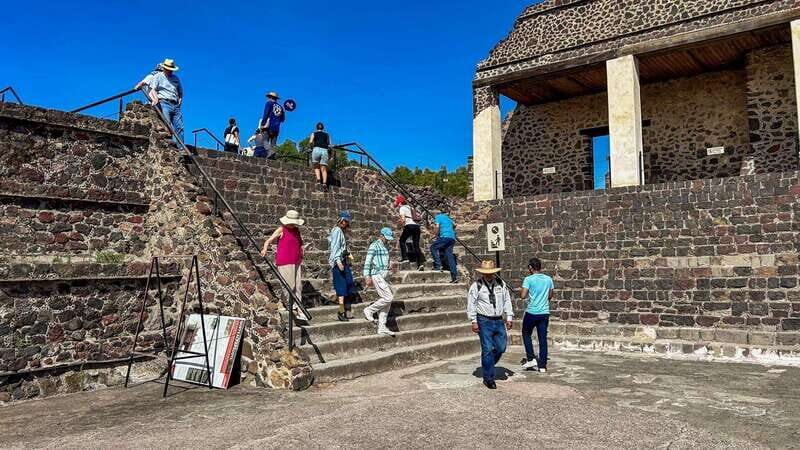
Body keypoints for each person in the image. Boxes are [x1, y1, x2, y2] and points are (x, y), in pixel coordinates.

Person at [467, 260, 513, 390]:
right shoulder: (476, 286)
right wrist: (473, 321)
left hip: (498, 320)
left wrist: (509, 316)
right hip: (484, 320)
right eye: (486, 273)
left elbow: (507, 300)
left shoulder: (501, 284)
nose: (488, 275)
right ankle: (489, 378)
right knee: (487, 349)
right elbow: (471, 304)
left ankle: (488, 364)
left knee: (501, 347)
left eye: (490, 272)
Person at [260, 210, 309, 321]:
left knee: (298, 286)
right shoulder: (281, 229)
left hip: (296, 260)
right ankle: (293, 307)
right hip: (285, 261)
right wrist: (264, 249)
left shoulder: (296, 230)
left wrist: (302, 250)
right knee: (289, 286)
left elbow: (300, 243)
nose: (292, 224)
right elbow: (268, 241)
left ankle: (299, 308)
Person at [520, 257, 554, 373]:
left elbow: (523, 295)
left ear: (530, 267)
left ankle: (531, 358)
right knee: (542, 339)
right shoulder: (548, 279)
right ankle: (542, 366)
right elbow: (550, 295)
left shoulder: (528, 279)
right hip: (544, 313)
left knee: (526, 334)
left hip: (532, 312)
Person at [362, 227, 397, 336]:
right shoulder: (374, 245)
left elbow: (384, 260)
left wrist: (389, 265)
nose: (388, 240)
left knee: (387, 301)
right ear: (381, 235)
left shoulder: (386, 246)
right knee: (388, 297)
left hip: (384, 275)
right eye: (386, 238)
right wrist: (367, 276)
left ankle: (382, 326)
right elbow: (368, 261)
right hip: (376, 274)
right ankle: (369, 310)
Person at [147, 59, 184, 142]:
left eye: (171, 69)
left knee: (180, 127)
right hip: (164, 102)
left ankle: (181, 147)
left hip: (175, 104)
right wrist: (155, 99)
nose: (170, 71)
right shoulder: (158, 76)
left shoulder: (176, 78)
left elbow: (180, 91)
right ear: (164, 68)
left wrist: (180, 101)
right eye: (168, 69)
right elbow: (152, 90)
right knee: (167, 124)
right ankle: (169, 143)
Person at [329, 211, 356, 321]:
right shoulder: (336, 231)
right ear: (340, 220)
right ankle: (341, 311)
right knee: (341, 287)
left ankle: (343, 307)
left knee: (349, 283)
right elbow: (334, 247)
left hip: (343, 260)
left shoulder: (340, 231)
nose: (345, 223)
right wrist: (338, 261)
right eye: (343, 220)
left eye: (346, 221)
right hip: (338, 261)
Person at [395, 195, 423, 271]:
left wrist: (401, 226)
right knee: (416, 245)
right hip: (417, 227)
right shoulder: (410, 207)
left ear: (400, 203)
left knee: (402, 241)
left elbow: (403, 219)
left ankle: (404, 258)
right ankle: (420, 264)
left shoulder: (402, 208)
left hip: (409, 226)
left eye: (398, 203)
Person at [430, 210, 458, 283]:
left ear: (435, 214)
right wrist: (450, 230)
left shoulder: (438, 217)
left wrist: (434, 235)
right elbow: (455, 225)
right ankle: (455, 277)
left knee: (433, 247)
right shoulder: (447, 218)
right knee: (450, 256)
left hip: (444, 237)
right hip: (452, 238)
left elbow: (437, 226)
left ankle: (438, 265)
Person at [309, 122, 331, 190]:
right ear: (323, 128)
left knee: (316, 166)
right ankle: (324, 183)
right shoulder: (327, 134)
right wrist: (331, 153)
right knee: (323, 168)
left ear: (316, 128)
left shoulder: (313, 133)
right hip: (324, 150)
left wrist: (312, 148)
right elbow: (329, 145)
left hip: (316, 149)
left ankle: (318, 180)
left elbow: (310, 142)